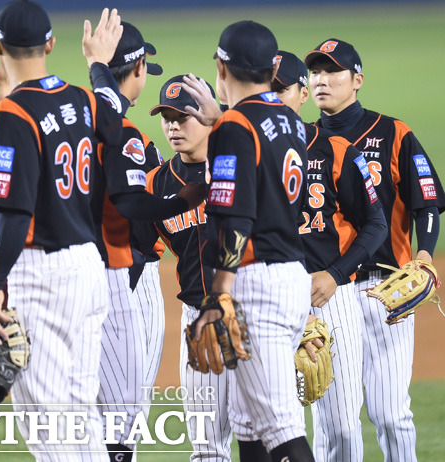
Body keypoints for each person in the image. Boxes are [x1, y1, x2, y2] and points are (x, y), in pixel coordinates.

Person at [0, 2, 125, 460]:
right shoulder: (81, 97)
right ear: (52, 44)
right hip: (88, 270)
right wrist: (98, 63)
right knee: (80, 415)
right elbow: (113, 119)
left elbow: (14, 215)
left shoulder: (11, 114)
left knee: (48, 427)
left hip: (41, 278)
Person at [305, 38, 445, 462]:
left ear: (357, 79)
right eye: (314, 72)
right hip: (329, 292)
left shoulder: (392, 132)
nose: (321, 80)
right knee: (334, 424)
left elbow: (428, 200)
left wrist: (425, 255)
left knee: (389, 414)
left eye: (332, 71)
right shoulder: (304, 142)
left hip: (387, 291)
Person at [184, 20, 314, 461]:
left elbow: (237, 216)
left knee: (281, 428)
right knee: (248, 422)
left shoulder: (234, 128)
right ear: (273, 66)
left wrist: (219, 291)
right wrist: (223, 121)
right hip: (293, 274)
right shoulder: (289, 119)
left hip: (256, 281)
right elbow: (259, 145)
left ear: (220, 67)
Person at [86, 22, 206, 461]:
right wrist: (184, 201)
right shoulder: (135, 145)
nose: (174, 128)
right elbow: (136, 213)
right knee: (124, 417)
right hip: (126, 280)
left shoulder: (71, 122)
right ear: (137, 68)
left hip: (70, 276)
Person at [274, 50, 388, 461]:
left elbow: (376, 224)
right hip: (269, 297)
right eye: (264, 90)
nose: (272, 99)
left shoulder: (336, 150)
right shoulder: (243, 151)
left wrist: (336, 274)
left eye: (281, 90)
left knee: (340, 423)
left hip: (330, 297)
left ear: (301, 94)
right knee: (272, 424)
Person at [146, 74, 233, 460]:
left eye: (183, 116)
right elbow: (137, 253)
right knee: (206, 449)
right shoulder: (155, 184)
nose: (173, 126)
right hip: (197, 318)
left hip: (251, 313)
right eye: (167, 117)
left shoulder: (241, 163)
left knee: (267, 437)